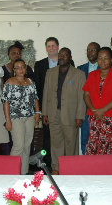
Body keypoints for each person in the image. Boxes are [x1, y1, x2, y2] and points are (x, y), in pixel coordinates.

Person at [42, 47, 86, 175]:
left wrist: (80, 116)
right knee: (56, 144)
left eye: (64, 55)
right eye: (60, 55)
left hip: (71, 115)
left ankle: (70, 168)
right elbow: (46, 94)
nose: (61, 57)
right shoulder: (50, 73)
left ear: (70, 58)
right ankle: (56, 168)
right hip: (53, 114)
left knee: (71, 144)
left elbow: (81, 97)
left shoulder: (79, 74)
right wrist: (45, 113)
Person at [34, 37, 75, 166]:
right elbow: (39, 88)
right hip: (49, 108)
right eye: (49, 46)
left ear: (57, 47)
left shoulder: (68, 62)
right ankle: (50, 163)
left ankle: (66, 164)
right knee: (48, 137)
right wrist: (42, 109)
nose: (51, 48)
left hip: (66, 109)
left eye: (53, 45)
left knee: (67, 138)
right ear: (46, 48)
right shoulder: (39, 65)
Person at [83, 47, 112, 155]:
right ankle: (94, 170)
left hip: (111, 117)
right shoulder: (91, 75)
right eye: (100, 58)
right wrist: (94, 110)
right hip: (94, 117)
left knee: (110, 145)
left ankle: (109, 171)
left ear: (111, 60)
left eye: (106, 58)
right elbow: (86, 95)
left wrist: (102, 110)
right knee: (94, 143)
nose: (102, 61)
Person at [2, 58, 40, 175]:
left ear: (26, 68)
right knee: (18, 145)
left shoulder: (30, 82)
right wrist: (8, 120)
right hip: (15, 118)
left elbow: (35, 98)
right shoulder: (9, 82)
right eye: (17, 68)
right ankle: (11, 173)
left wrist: (38, 113)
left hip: (30, 117)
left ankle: (23, 174)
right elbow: (5, 102)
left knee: (27, 146)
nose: (21, 70)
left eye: (22, 67)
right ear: (14, 70)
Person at [77, 42, 100, 155]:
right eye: (88, 50)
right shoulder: (80, 69)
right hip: (84, 109)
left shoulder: (105, 69)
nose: (90, 53)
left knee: (99, 138)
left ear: (98, 52)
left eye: (93, 50)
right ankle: (86, 163)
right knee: (85, 137)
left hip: (101, 109)